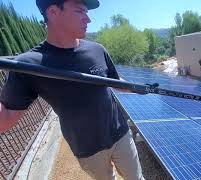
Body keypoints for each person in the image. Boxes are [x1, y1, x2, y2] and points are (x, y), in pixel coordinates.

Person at [0, 0, 144, 179]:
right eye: (80, 11)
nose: (88, 19)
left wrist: (136, 88)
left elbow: (115, 81)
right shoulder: (27, 65)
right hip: (88, 149)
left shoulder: (97, 49)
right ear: (53, 12)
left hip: (120, 133)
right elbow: (5, 118)